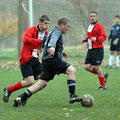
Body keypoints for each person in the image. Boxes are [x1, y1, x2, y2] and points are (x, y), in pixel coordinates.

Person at [13, 17, 81, 107]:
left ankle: (21, 98)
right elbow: (53, 40)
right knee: (72, 71)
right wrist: (52, 47)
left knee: (42, 83)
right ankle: (72, 96)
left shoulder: (51, 31)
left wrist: (60, 51)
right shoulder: (57, 32)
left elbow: (44, 42)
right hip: (53, 60)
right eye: (67, 26)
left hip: (46, 61)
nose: (68, 28)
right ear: (62, 25)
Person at [3, 15, 50, 103]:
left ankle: (23, 96)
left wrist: (43, 46)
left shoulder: (46, 34)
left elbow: (45, 45)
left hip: (35, 60)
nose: (47, 26)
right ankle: (9, 90)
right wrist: (40, 42)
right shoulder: (32, 30)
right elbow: (25, 39)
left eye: (48, 24)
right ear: (40, 22)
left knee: (43, 82)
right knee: (30, 82)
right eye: (45, 23)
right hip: (26, 59)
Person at [81, 11, 108, 90]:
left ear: (97, 17)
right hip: (90, 49)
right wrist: (86, 40)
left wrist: (97, 39)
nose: (92, 17)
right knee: (87, 67)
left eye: (94, 16)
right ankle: (103, 75)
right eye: (91, 16)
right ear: (89, 17)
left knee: (97, 67)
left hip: (98, 50)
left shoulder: (99, 26)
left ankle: (103, 86)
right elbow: (91, 37)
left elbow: (104, 37)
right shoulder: (89, 25)